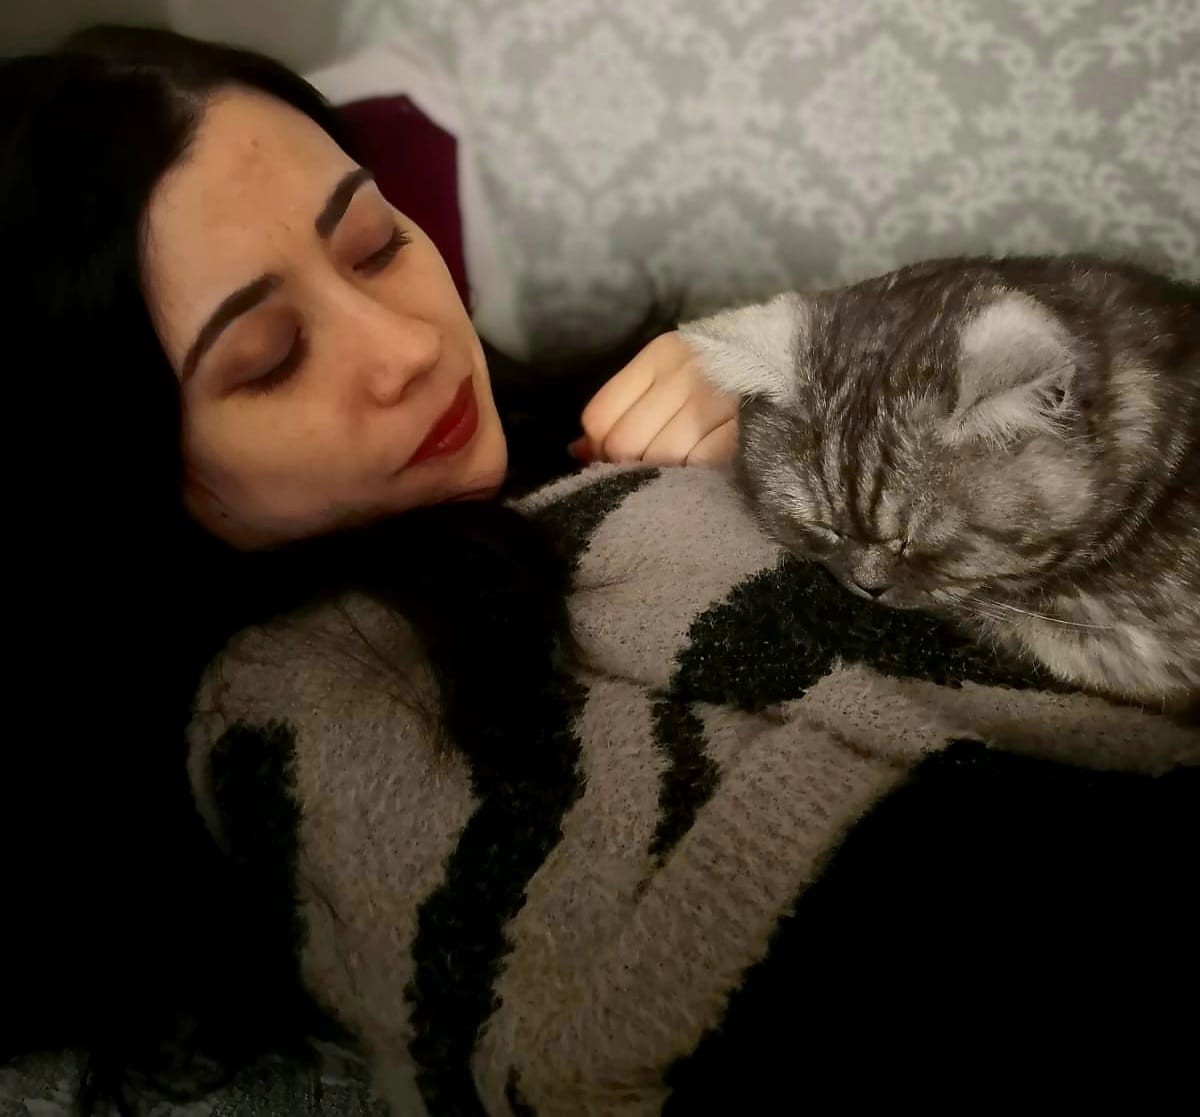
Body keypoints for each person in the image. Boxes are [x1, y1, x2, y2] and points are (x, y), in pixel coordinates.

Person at [0, 23, 733, 1107]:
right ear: (112, 478)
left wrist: (781, 380)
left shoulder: (597, 425)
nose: (410, 349)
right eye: (270, 360)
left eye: (377, 243)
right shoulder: (294, 752)